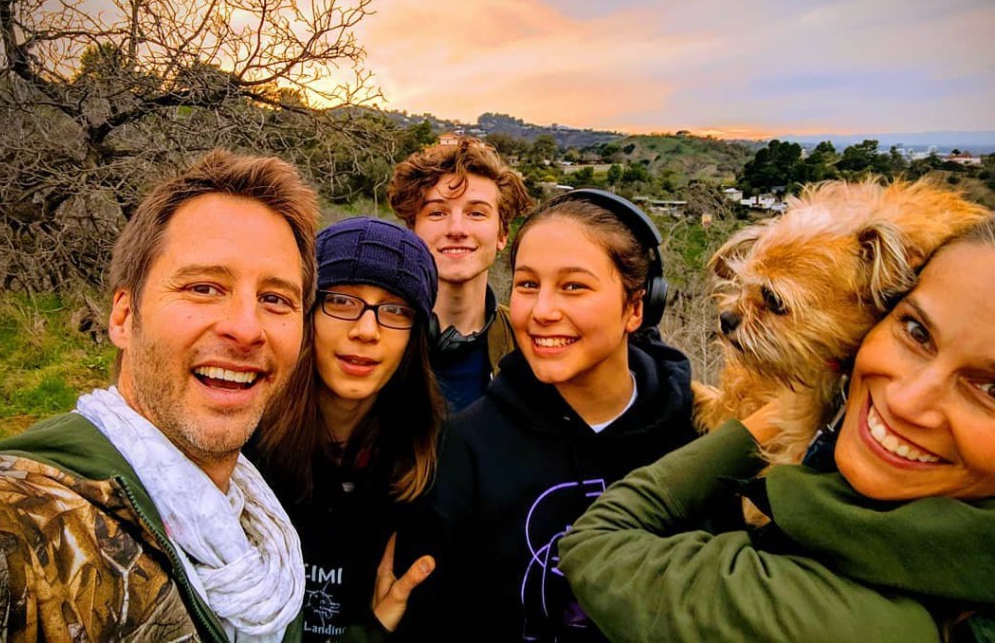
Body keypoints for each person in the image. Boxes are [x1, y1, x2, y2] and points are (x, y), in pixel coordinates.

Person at [0, 151, 431, 643]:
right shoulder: (16, 530)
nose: (245, 328)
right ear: (124, 315)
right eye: (205, 287)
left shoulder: (263, 541)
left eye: (274, 298)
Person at [559, 214, 995, 643]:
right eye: (916, 331)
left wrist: (755, 427)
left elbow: (595, 545)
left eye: (991, 389)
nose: (905, 401)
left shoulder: (852, 618)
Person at [398, 189, 698, 642]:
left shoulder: (698, 436)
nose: (542, 311)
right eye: (527, 285)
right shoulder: (466, 448)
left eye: (573, 286)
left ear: (636, 307)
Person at [253, 217, 445, 642]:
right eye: (341, 302)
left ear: (418, 335)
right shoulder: (241, 444)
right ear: (307, 313)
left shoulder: (435, 457)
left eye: (395, 310)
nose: (366, 331)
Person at [387, 137, 533, 410]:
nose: (456, 229)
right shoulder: (374, 334)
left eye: (476, 213)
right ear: (412, 231)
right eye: (437, 213)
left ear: (502, 234)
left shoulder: (532, 343)